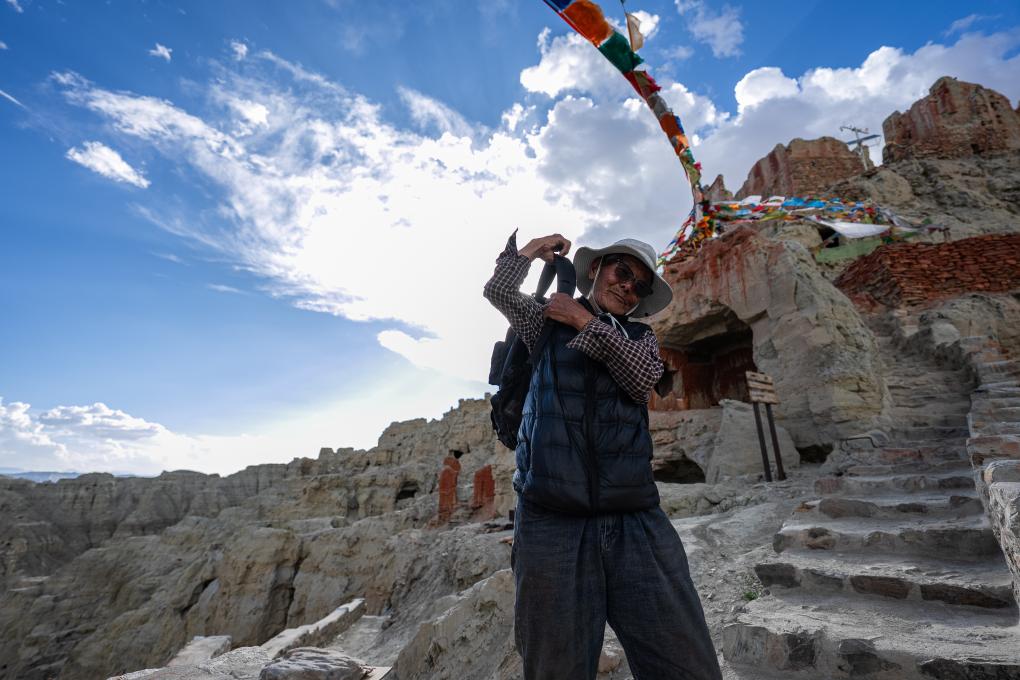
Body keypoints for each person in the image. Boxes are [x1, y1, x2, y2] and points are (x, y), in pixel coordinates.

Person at [483, 231, 722, 680]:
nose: (628, 287)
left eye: (640, 286)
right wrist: (532, 249)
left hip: (634, 518)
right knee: (555, 666)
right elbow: (498, 291)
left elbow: (641, 378)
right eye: (622, 272)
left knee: (685, 661)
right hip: (550, 521)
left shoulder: (640, 338)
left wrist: (581, 321)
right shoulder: (543, 324)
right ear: (596, 269)